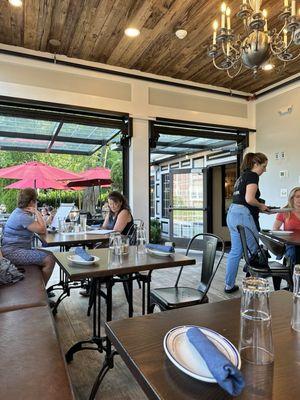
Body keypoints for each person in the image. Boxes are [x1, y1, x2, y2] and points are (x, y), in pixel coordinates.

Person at [225, 152, 270, 293]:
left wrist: (261, 208)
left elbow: (244, 200)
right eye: (264, 166)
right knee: (254, 251)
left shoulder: (241, 177)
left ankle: (229, 285)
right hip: (243, 215)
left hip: (233, 213)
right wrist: (261, 206)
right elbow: (250, 199)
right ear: (255, 164)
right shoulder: (252, 175)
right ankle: (254, 286)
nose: (265, 170)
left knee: (236, 252)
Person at [1, 188, 55, 284]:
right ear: (31, 202)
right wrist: (37, 212)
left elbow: (41, 230)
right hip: (13, 252)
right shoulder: (22, 216)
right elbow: (42, 230)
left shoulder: (19, 212)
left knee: (50, 254)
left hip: (14, 250)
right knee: (49, 260)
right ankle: (42, 291)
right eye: (36, 201)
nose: (36, 203)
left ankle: (40, 287)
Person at [273, 186, 300, 264]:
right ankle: (293, 275)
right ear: (292, 198)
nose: (299, 199)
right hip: (290, 244)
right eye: (297, 197)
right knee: (293, 254)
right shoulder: (285, 211)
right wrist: (285, 235)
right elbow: (275, 228)